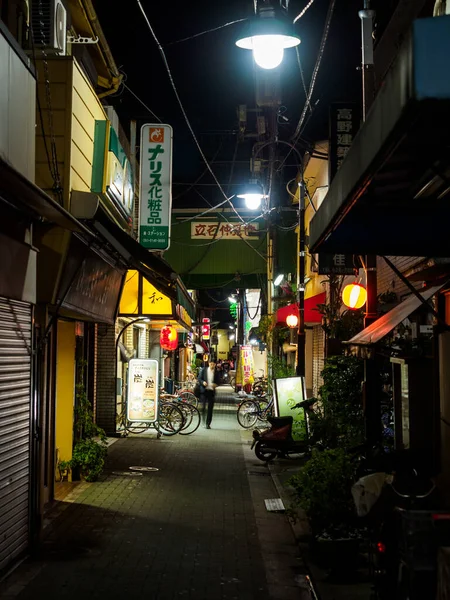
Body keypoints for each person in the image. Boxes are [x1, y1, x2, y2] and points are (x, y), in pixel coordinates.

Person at [198, 361, 220, 429]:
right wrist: (203, 382)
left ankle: (208, 423)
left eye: (213, 364)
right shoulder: (204, 370)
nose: (212, 365)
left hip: (211, 392)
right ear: (209, 364)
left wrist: (216, 384)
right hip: (204, 391)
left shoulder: (216, 372)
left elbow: (219, 381)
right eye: (211, 364)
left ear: (215, 365)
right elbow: (199, 378)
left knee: (210, 408)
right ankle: (203, 420)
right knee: (203, 407)